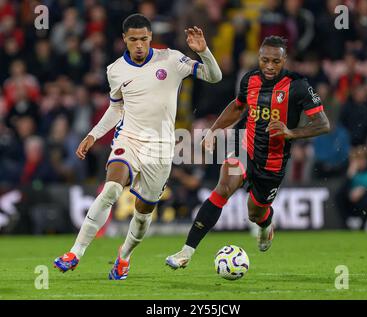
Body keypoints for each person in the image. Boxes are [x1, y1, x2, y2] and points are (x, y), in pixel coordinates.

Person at [54, 13, 222, 279]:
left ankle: (124, 257)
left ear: (151, 37)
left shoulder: (171, 59)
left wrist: (205, 53)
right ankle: (76, 252)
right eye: (133, 40)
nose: (140, 45)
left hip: (161, 149)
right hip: (129, 139)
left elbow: (214, 76)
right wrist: (93, 135)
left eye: (144, 39)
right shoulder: (115, 70)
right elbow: (115, 108)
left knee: (142, 216)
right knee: (110, 189)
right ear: (125, 40)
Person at [166, 36, 330, 269]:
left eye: (275, 61)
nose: (270, 66)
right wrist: (213, 131)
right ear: (259, 58)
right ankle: (186, 252)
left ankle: (265, 226)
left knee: (256, 212)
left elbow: (323, 124)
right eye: (265, 60)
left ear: (284, 60)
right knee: (222, 189)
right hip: (244, 148)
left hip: (273, 162)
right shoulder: (250, 80)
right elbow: (238, 106)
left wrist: (290, 133)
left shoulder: (299, 86)